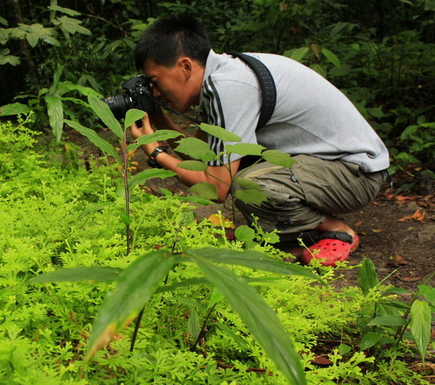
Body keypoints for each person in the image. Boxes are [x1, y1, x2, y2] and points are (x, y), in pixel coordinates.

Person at [129, 14, 390, 266]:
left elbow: (215, 187)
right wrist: (158, 120)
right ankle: (288, 231)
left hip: (356, 174)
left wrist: (156, 153)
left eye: (155, 81)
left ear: (185, 66)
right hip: (332, 167)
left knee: (249, 183)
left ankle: (333, 230)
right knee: (240, 170)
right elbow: (206, 159)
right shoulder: (219, 79)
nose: (156, 91)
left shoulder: (228, 87)